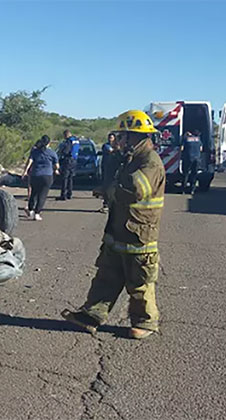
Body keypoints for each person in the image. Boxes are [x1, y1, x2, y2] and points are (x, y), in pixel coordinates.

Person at [61, 110, 165, 340]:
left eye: (123, 136)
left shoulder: (150, 162)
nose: (119, 141)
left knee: (139, 281)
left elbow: (138, 190)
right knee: (107, 275)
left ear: (135, 136)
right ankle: (93, 314)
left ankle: (145, 322)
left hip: (140, 233)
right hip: (119, 229)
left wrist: (110, 189)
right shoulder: (131, 159)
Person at [22, 135, 59, 221]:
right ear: (49, 143)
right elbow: (57, 166)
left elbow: (30, 162)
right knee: (42, 195)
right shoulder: (52, 153)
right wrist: (55, 169)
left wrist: (25, 172)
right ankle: (37, 213)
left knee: (33, 193)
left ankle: (30, 210)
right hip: (47, 176)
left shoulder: (35, 151)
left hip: (35, 175)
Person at [97, 132, 119, 212]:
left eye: (112, 138)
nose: (110, 139)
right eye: (109, 138)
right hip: (106, 170)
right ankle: (106, 205)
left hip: (114, 171)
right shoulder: (106, 146)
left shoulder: (117, 145)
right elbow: (111, 151)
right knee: (106, 188)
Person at [56, 130, 80, 200]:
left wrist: (62, 152)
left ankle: (63, 195)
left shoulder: (69, 141)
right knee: (70, 178)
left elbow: (66, 151)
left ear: (66, 135)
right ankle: (69, 194)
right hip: (74, 160)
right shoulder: (76, 140)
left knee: (65, 178)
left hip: (68, 160)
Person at [181, 130, 203, 194]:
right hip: (197, 159)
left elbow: (182, 148)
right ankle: (192, 189)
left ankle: (183, 189)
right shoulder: (198, 139)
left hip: (188, 158)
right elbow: (201, 149)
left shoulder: (186, 139)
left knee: (186, 173)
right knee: (194, 174)